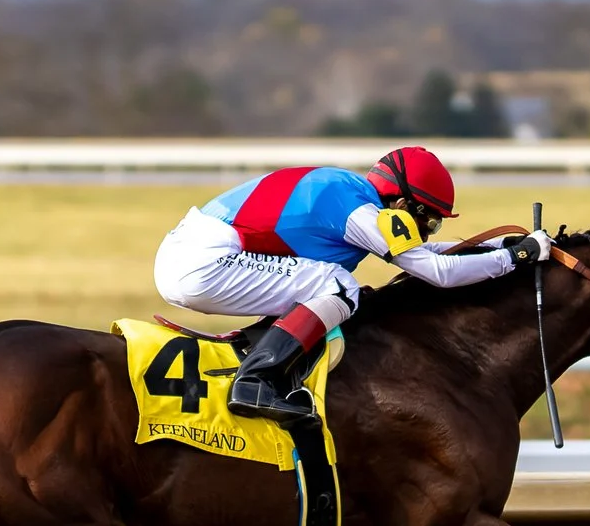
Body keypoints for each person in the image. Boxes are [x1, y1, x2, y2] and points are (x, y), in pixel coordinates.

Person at [152, 146, 550, 432]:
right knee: (339, 286)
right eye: (428, 219)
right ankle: (257, 380)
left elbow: (424, 253)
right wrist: (515, 260)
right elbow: (436, 272)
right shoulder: (356, 209)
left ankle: (262, 353)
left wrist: (502, 247)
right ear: (403, 202)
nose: (427, 229)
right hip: (203, 263)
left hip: (192, 256)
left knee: (322, 284)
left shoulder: (355, 198)